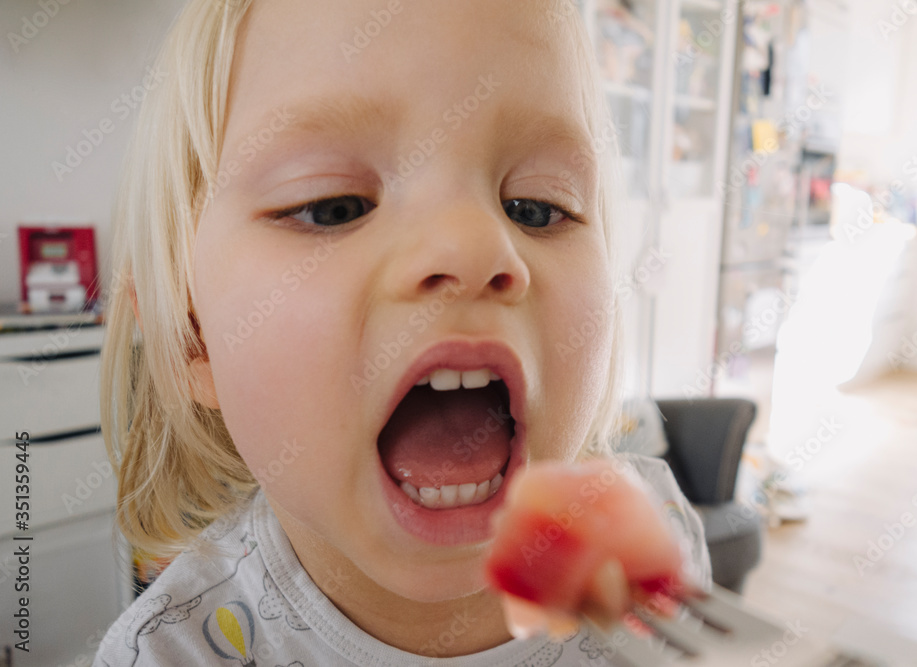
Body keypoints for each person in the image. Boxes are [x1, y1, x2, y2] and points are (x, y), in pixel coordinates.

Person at [95, 0, 711, 664]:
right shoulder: (170, 652)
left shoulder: (651, 533)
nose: (475, 246)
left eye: (537, 206)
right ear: (193, 335)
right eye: (333, 206)